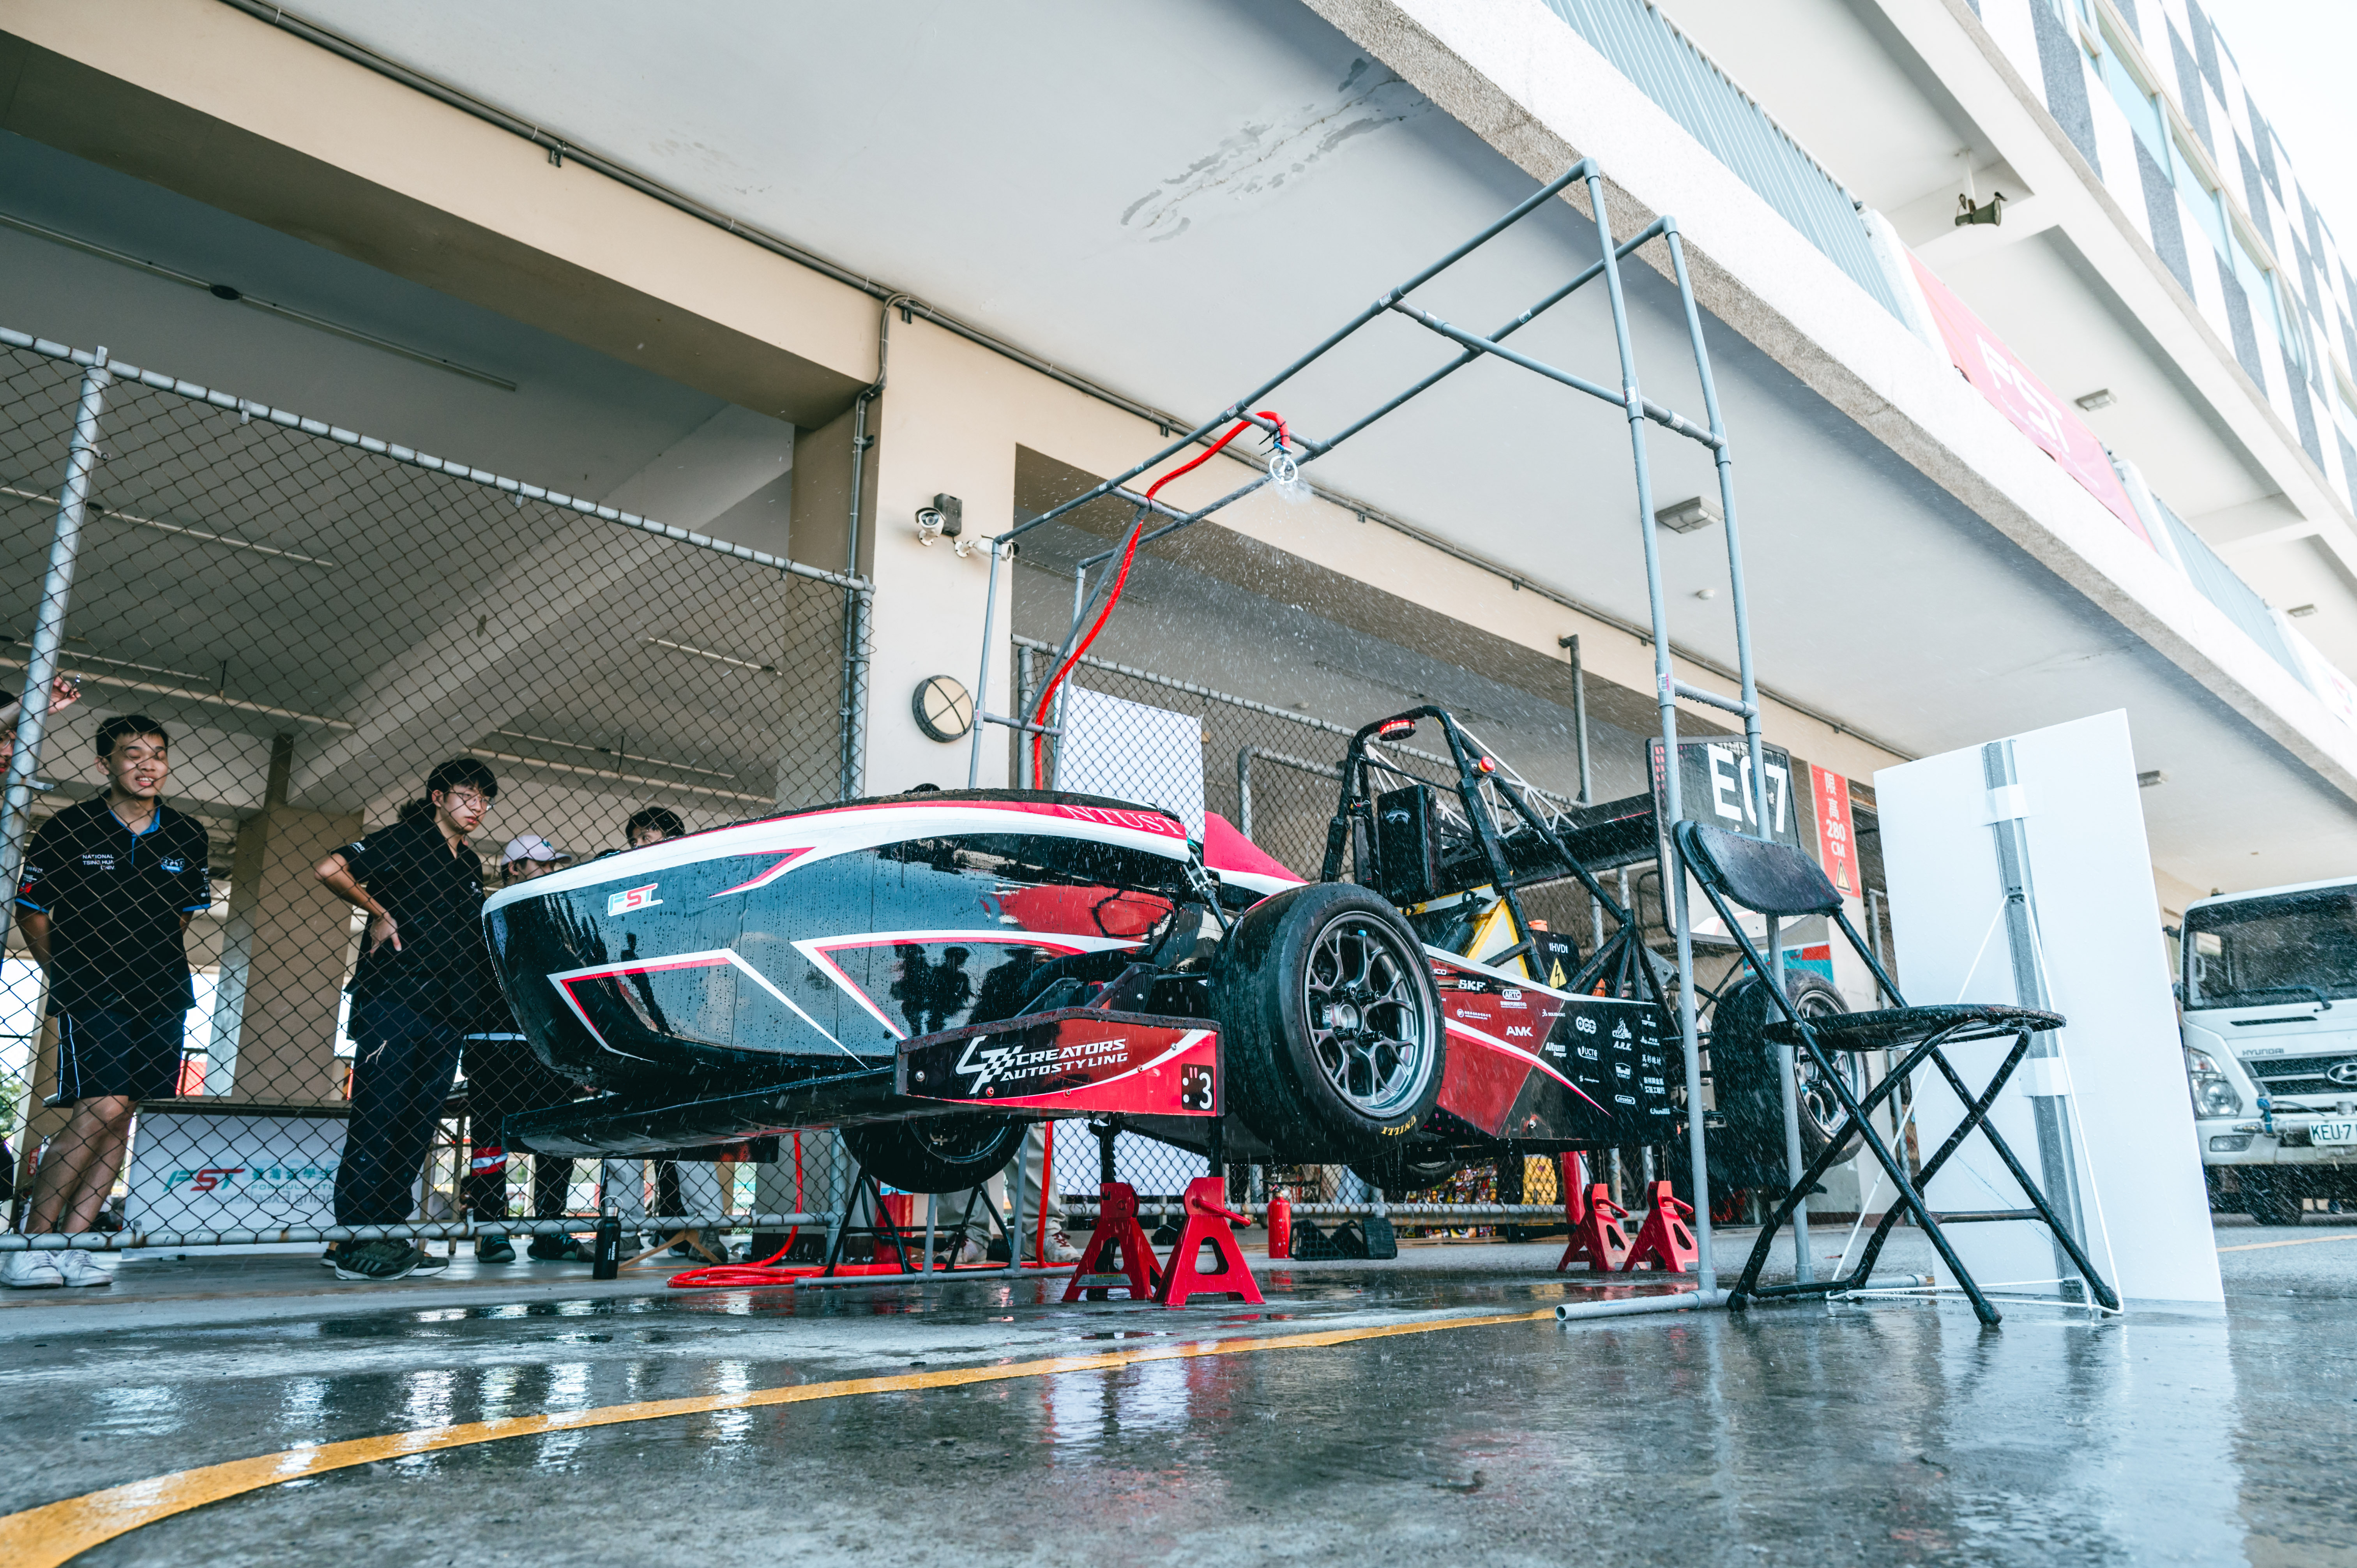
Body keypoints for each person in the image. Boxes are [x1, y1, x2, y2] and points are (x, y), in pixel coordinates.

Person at [2, 715, 210, 1289]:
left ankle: (77, 1242)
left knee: (125, 1115)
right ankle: (31, 1241)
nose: (148, 766)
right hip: (92, 989)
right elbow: (32, 910)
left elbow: (183, 913)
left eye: (159, 755)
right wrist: (66, 972)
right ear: (105, 765)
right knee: (101, 1106)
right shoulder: (69, 827)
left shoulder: (188, 833)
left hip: (163, 989)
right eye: (132, 754)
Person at [312, 758, 501, 1282]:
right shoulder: (404, 838)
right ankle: (352, 1243)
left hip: (448, 1009)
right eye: (467, 796)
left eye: (485, 800)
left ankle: (388, 1237)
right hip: (393, 1001)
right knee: (379, 1119)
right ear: (440, 797)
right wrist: (378, 911)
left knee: (415, 1126)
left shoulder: (469, 863)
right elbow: (330, 868)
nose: (476, 808)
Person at [605, 805, 728, 1255]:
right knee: (624, 1125)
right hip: (630, 1020)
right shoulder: (618, 887)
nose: (641, 846)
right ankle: (618, 1228)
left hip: (682, 1022)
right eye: (636, 839)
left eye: (650, 837)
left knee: (690, 1124)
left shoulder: (693, 890)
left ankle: (707, 1227)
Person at [460, 834, 585, 1264]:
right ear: (513, 868)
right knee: (490, 1140)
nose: (550, 872)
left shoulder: (558, 918)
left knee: (555, 1138)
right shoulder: (485, 915)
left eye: (554, 865)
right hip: (493, 1045)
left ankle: (549, 1230)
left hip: (548, 1049)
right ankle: (492, 1231)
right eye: (540, 865)